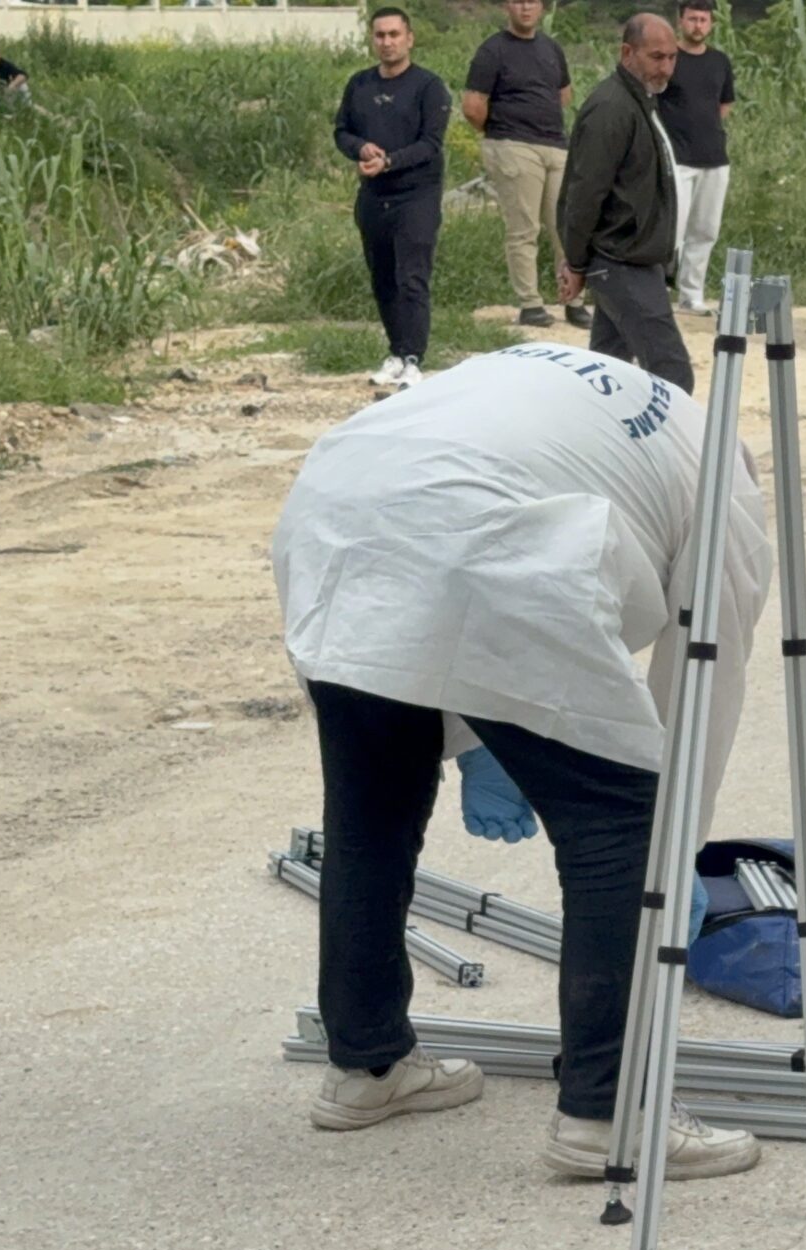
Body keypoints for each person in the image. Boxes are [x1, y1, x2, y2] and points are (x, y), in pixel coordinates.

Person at [269, 342, 772, 1177]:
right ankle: (610, 1116)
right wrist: (671, 843)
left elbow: (442, 597)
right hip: (482, 531)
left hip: (335, 509)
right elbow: (703, 675)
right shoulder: (727, 489)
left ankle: (368, 1067)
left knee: (372, 807)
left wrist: (477, 735)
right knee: (620, 824)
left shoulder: (602, 401)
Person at [559, 15, 692, 393]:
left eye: (671, 58)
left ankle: (595, 449)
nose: (665, 68)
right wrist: (576, 261)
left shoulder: (640, 100)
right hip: (620, 262)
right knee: (673, 375)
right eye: (656, 57)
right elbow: (585, 193)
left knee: (607, 375)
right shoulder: (611, 108)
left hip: (634, 259)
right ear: (627, 53)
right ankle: (665, 454)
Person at [333, 8, 451, 391]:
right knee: (382, 278)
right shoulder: (360, 84)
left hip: (416, 194)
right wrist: (361, 149)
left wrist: (389, 162)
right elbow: (341, 131)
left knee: (411, 278)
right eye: (380, 35)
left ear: (409, 38)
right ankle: (396, 353)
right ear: (373, 39)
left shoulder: (429, 87)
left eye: (394, 34)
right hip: (373, 196)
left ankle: (415, 358)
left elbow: (431, 144)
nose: (387, 42)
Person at [464, 0, 586, 330]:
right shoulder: (493, 51)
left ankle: (573, 300)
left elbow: (564, 94)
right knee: (524, 228)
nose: (526, 8)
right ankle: (530, 303)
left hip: (555, 145)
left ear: (542, 7)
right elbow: (473, 106)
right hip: (513, 144)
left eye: (532, 1)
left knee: (566, 227)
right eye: (519, 2)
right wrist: (502, 135)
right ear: (507, 7)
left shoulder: (552, 49)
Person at [661, 0, 736, 318]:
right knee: (670, 231)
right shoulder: (668, 59)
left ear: (712, 24)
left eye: (703, 20)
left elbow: (725, 104)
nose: (698, 25)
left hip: (714, 157)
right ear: (680, 21)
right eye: (692, 19)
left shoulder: (719, 61)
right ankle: (659, 292)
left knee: (705, 230)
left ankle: (692, 294)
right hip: (676, 158)